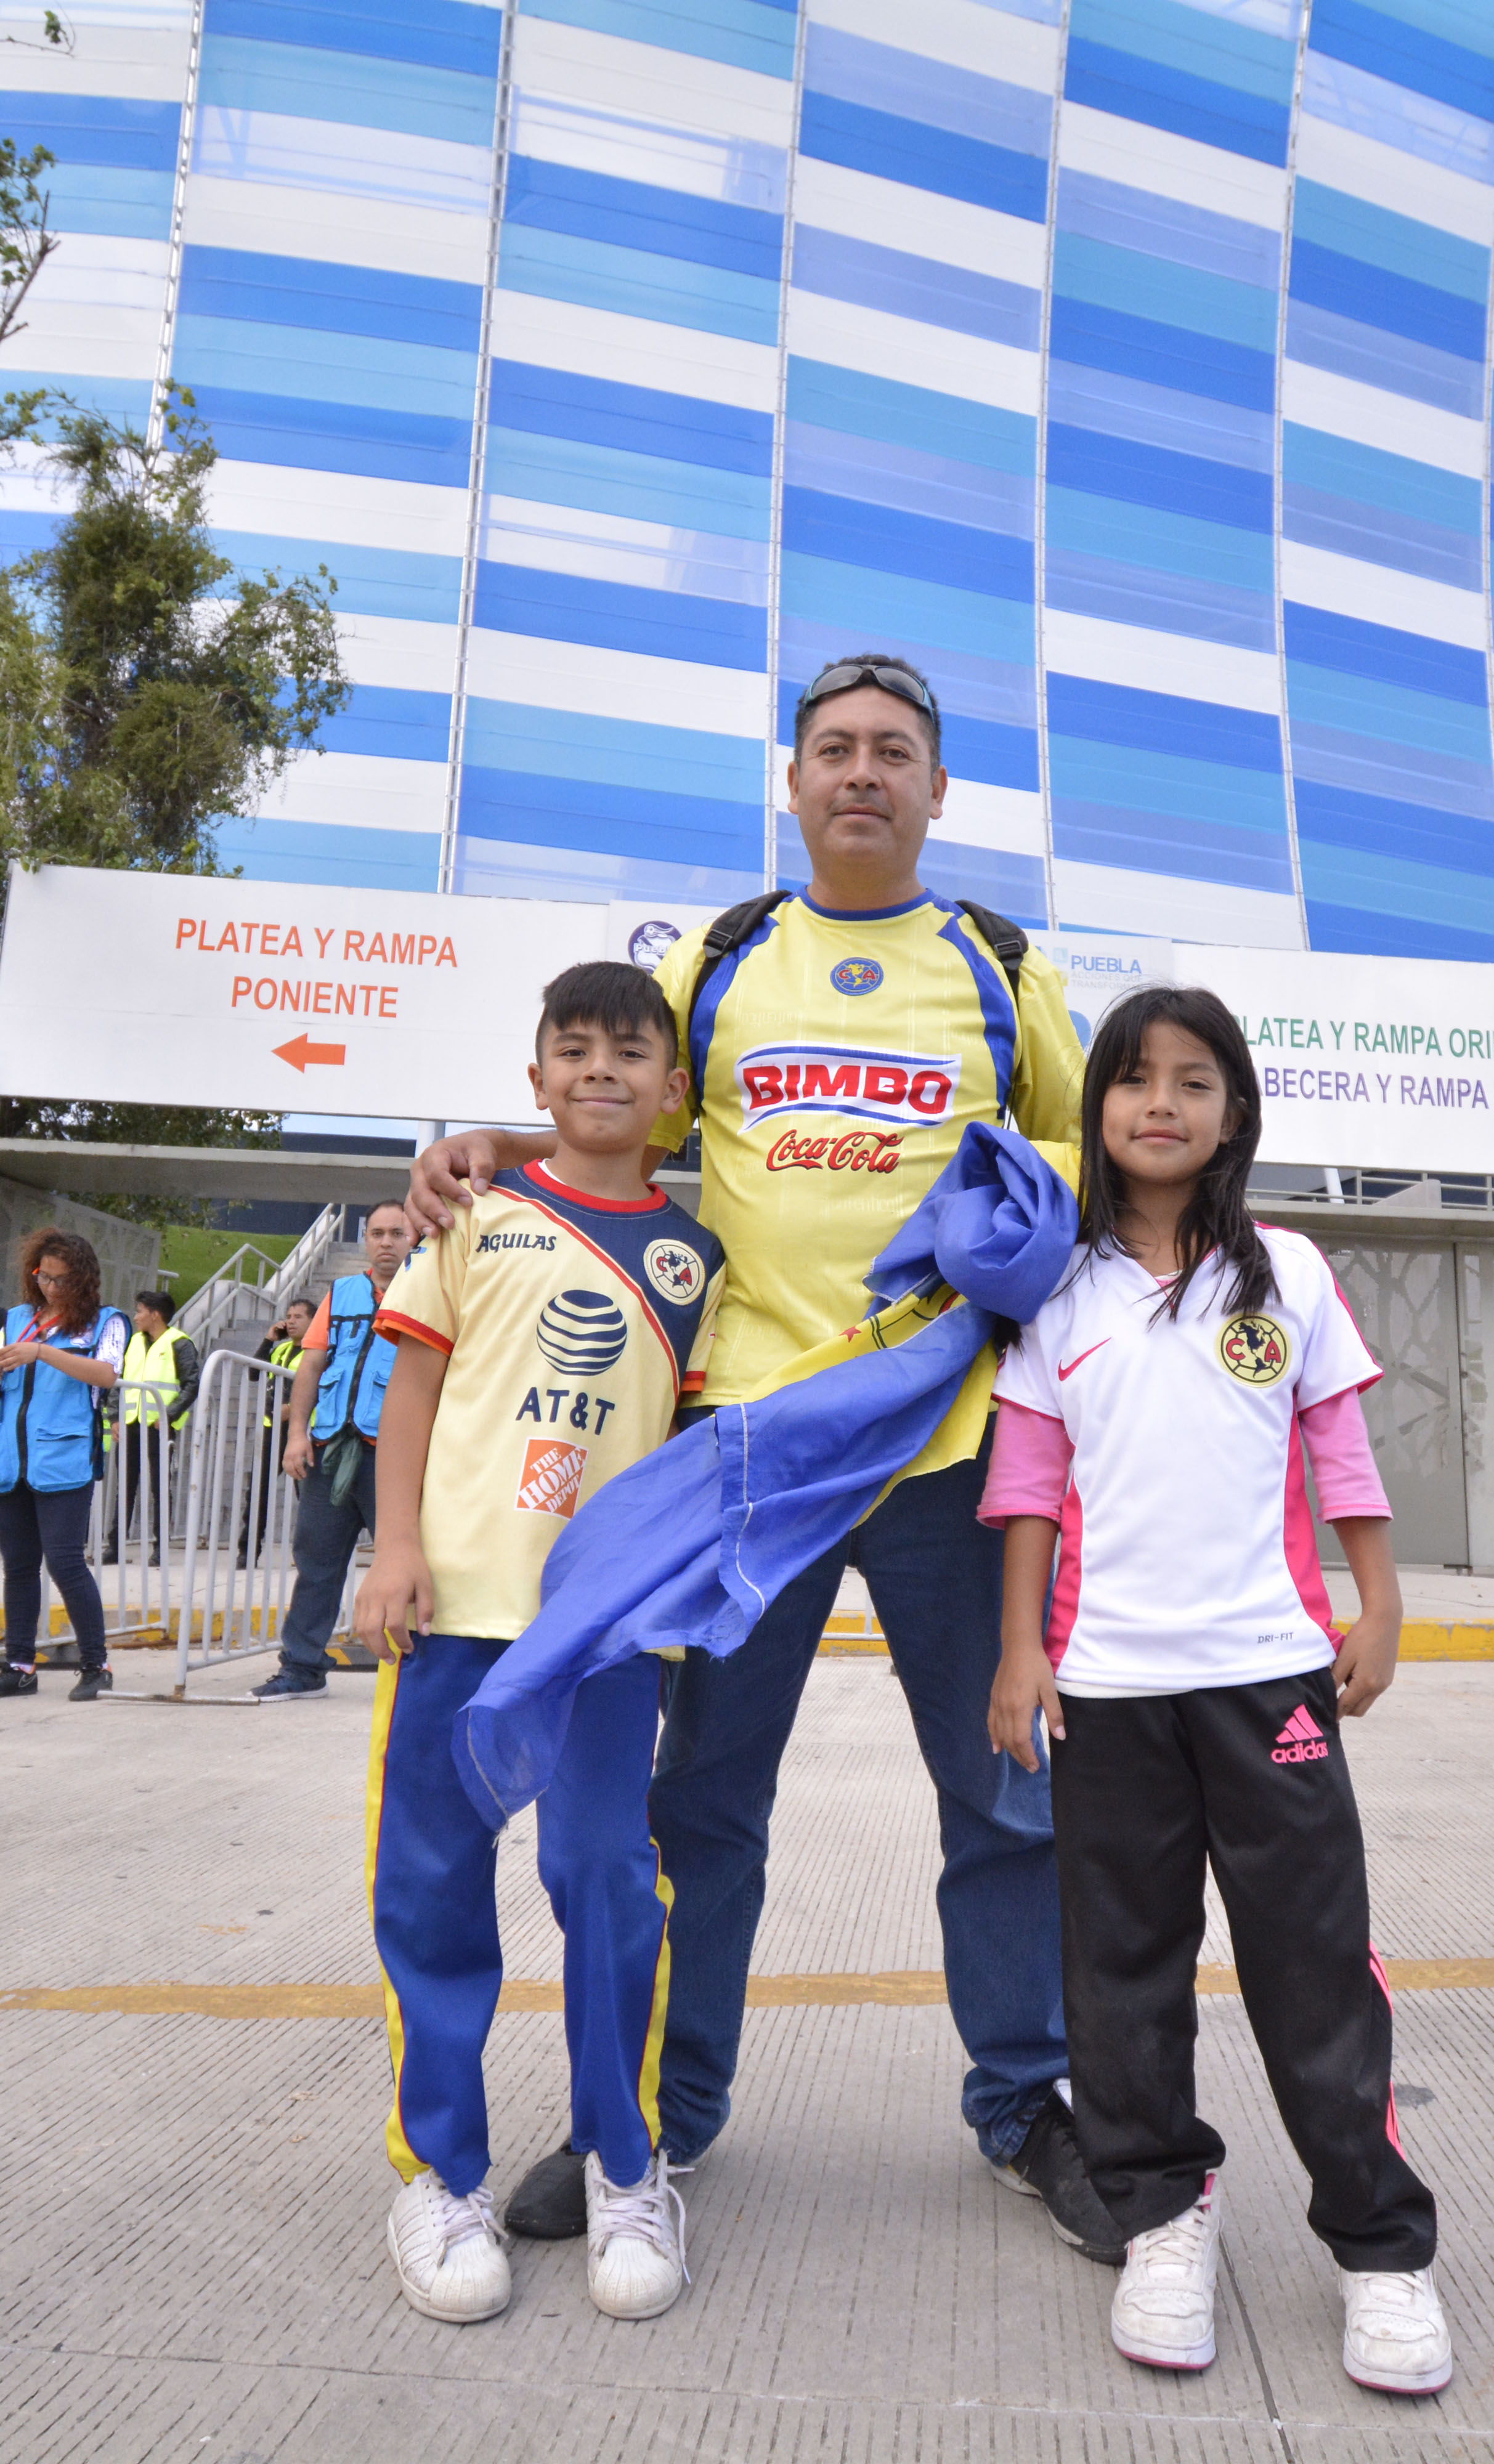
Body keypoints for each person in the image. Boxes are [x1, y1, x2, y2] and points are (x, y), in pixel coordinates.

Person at [405, 652, 1111, 2255]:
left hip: (953, 1446)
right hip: (742, 1449)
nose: (863, 773)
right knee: (700, 1805)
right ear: (792, 783)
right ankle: (656, 2116)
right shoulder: (723, 961)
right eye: (836, 750)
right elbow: (627, 1124)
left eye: (896, 753)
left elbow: (1084, 1160)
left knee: (1006, 1801)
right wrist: (489, 1146)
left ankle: (1028, 2101)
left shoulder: (1004, 967)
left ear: (941, 791)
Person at [981, 984, 1443, 2394]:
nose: (1162, 1102)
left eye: (1194, 1079)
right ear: (1098, 1110)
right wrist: (1019, 1649)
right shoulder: (1054, 1289)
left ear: (1235, 1109)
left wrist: (1381, 1599)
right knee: (1120, 1972)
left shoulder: (1287, 1272)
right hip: (1107, 1689)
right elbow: (1028, 1488)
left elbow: (1342, 1458)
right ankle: (1162, 2212)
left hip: (1270, 1680)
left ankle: (1381, 2249)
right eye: (1134, 1080)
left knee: (1314, 1967)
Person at [354, 960, 726, 2324]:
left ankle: (627, 2165)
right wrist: (394, 1549)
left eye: (631, 1054)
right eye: (573, 1050)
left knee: (606, 1884)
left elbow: (691, 1450)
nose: (601, 1072)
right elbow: (413, 1389)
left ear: (675, 1093)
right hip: (455, 1614)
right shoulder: (475, 1212)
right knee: (435, 1889)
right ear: (535, 1081)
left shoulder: (695, 1263)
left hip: (605, 1634)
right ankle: (440, 2172)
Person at [247, 1203, 414, 1703]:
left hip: (395, 1458)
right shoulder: (341, 1294)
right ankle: (302, 1667)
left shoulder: (431, 1291)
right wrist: (297, 1434)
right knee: (317, 1563)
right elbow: (312, 1367)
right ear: (366, 1240)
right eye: (377, 1233)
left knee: (405, 1561)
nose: (386, 1242)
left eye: (397, 1233)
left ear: (416, 1237)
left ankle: (414, 1666)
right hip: (329, 1449)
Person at [0, 1229, 125, 1703]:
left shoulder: (106, 1322)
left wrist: (41, 1352)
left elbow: (106, 1375)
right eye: (43, 1276)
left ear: (83, 1279)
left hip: (63, 1456)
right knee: (18, 1566)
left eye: (61, 1279)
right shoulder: (17, 1318)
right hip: (8, 1458)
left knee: (66, 1562)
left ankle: (96, 1664)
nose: (51, 1287)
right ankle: (19, 1666)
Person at [107, 1288, 196, 1564]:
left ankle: (160, 1549)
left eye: (140, 1311)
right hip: (130, 1424)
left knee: (160, 1488)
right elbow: (116, 1380)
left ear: (155, 1315)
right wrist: (113, 1418)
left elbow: (191, 1383)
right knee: (126, 1487)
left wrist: (169, 1416)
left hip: (159, 1428)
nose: (136, 1317)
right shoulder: (133, 1342)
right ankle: (116, 1547)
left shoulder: (180, 1343)